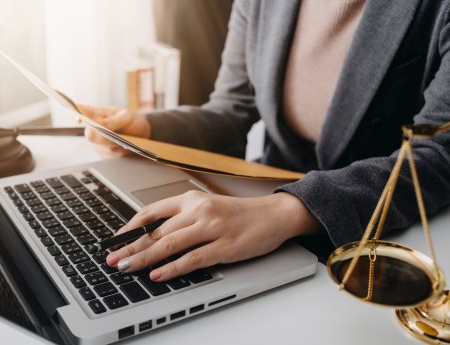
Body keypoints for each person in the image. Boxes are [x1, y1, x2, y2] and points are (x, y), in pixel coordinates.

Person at [81, 0, 450, 283]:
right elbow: (233, 109)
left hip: (383, 241)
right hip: (261, 207)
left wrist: (287, 210)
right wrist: (146, 129)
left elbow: (438, 155)